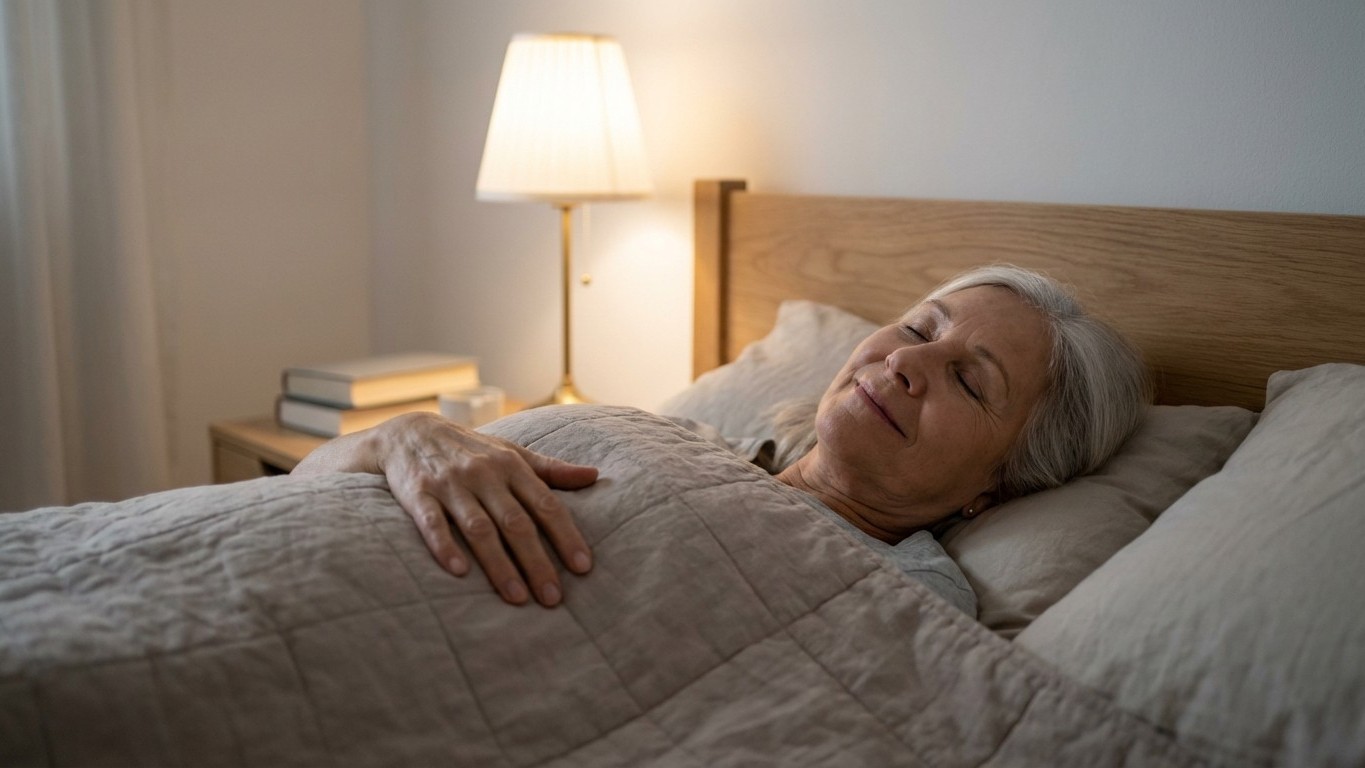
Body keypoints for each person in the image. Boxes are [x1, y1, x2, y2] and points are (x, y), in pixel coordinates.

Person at [293, 265, 1150, 612]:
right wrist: (404, 437)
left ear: (993, 487)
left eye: (970, 379)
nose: (907, 364)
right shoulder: (679, 438)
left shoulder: (907, 597)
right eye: (916, 326)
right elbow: (302, 487)